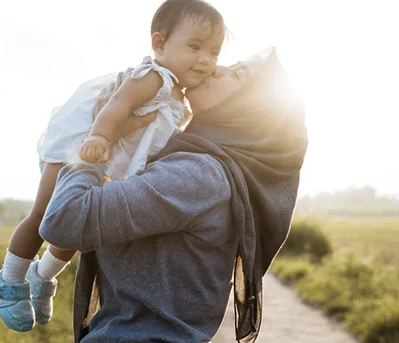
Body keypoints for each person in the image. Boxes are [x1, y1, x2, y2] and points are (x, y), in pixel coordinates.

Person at [39, 47, 309, 343]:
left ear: (250, 109)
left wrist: (97, 139)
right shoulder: (199, 166)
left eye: (237, 74)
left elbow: (64, 220)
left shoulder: (199, 174)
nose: (216, 68)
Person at [0, 0, 226, 332]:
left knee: (78, 227)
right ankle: (9, 278)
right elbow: (117, 102)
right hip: (82, 142)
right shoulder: (154, 77)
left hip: (109, 159)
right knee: (46, 211)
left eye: (214, 52)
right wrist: (99, 137)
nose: (205, 60)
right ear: (159, 44)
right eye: (195, 46)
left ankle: (42, 277)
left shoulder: (181, 98)